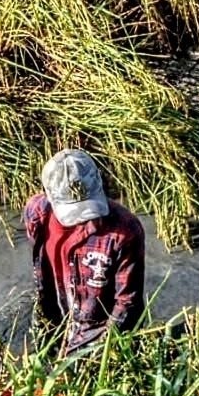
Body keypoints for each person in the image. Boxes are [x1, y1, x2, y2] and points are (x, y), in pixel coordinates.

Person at [24, 148, 146, 355]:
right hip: (55, 314)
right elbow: (41, 267)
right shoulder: (36, 213)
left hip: (98, 330)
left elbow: (127, 303)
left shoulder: (125, 231)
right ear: (49, 196)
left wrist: (103, 349)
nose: (87, 220)